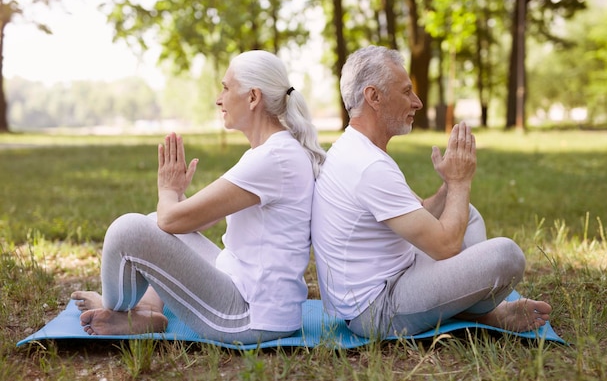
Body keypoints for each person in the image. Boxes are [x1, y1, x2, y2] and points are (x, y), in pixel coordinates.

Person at [71, 50, 326, 344]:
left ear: (253, 97)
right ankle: (150, 308)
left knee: (127, 230)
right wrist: (178, 197)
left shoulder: (274, 158)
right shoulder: (273, 152)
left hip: (249, 316)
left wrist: (167, 191)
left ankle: (113, 309)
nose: (219, 99)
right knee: (153, 222)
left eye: (226, 88)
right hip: (251, 295)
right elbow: (194, 221)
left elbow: (172, 219)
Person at [311, 45, 552, 339]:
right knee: (507, 256)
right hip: (375, 311)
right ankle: (485, 312)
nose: (418, 102)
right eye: (406, 92)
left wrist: (450, 183)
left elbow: (421, 212)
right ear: (374, 97)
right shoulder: (368, 166)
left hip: (393, 279)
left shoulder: (355, 149)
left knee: (469, 215)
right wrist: (461, 182)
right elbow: (446, 246)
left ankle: (470, 307)